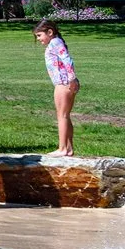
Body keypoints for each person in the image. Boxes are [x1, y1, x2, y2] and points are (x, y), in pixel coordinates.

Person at [34, 19, 78, 156]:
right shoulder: (55, 42)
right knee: (65, 115)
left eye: (39, 35)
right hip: (63, 83)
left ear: (50, 32)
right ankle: (69, 148)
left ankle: (62, 148)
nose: (38, 39)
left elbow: (67, 59)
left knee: (62, 116)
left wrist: (72, 78)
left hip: (63, 83)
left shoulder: (55, 42)